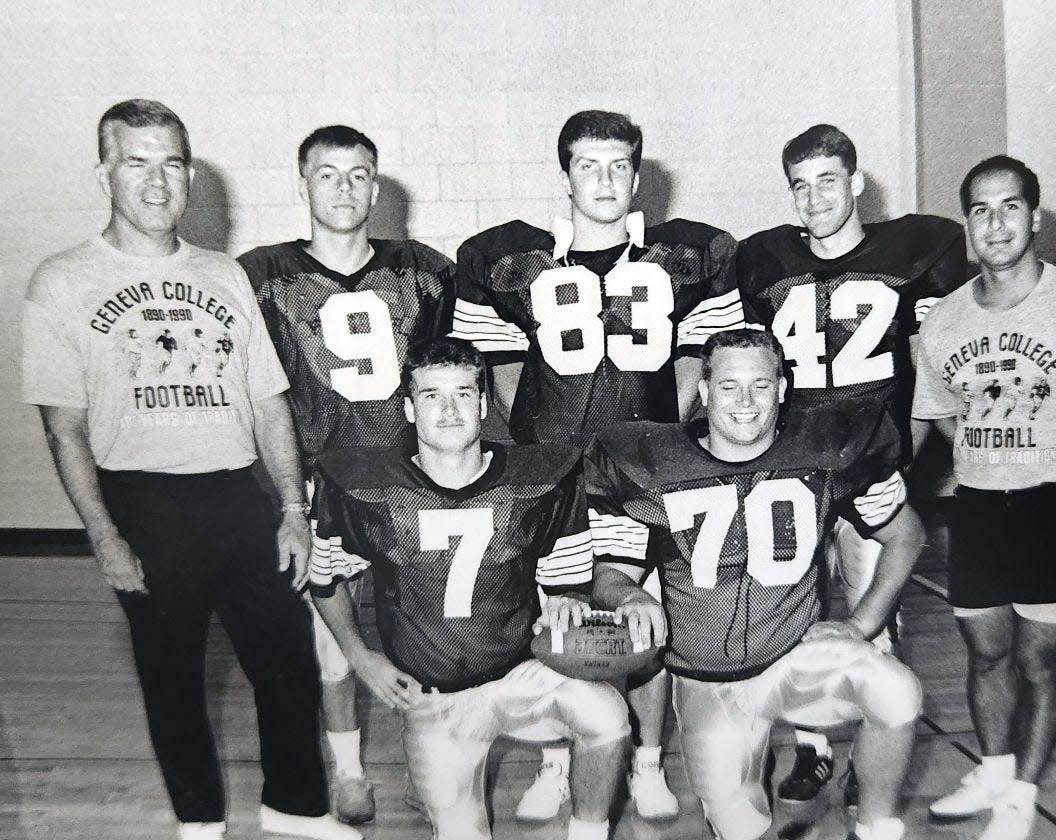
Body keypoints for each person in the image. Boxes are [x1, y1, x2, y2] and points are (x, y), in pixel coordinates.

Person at [19, 99, 360, 840]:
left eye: (171, 163)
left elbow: (270, 404)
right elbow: (64, 428)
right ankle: (198, 821)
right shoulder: (62, 280)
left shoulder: (224, 276)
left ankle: (295, 809)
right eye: (135, 162)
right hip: (143, 500)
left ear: (191, 174)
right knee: (173, 680)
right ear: (103, 172)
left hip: (239, 494)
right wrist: (104, 535)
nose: (155, 181)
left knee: (289, 665)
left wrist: (294, 511)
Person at [451, 109, 741, 820]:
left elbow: (696, 356)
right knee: (553, 611)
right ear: (565, 176)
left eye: (619, 166)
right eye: (589, 165)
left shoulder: (684, 259)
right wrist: (538, 449)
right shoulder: (514, 265)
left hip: (641, 472)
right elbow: (502, 366)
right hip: (551, 468)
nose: (605, 179)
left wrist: (656, 441)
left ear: (639, 177)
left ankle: (644, 760)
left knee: (645, 612)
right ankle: (557, 759)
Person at [587, 328, 924, 840]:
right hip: (709, 680)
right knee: (740, 826)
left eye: (760, 385)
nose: (745, 401)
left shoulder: (823, 454)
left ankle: (876, 828)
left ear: (782, 388)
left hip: (796, 660)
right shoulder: (650, 465)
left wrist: (862, 623)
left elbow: (906, 535)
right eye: (728, 386)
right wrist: (631, 595)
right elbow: (611, 575)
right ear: (703, 392)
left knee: (896, 691)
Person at [310, 337, 629, 840]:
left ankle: (589, 833)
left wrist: (565, 607)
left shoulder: (538, 480)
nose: (450, 408)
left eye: (463, 393)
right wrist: (360, 655)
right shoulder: (366, 487)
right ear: (409, 409)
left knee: (608, 717)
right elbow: (325, 582)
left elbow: (566, 583)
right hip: (435, 697)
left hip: (520, 674)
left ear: (483, 404)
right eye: (432, 395)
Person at [913, 155, 1056, 840]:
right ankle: (991, 767)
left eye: (1010, 206)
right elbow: (944, 413)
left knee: (1037, 660)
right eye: (981, 210)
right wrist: (988, 455)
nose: (996, 223)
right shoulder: (944, 320)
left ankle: (1020, 796)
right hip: (981, 507)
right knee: (984, 653)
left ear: (1035, 217)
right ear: (966, 226)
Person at [737, 123, 967, 802]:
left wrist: (911, 471)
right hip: (792, 472)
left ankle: (875, 762)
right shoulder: (767, 263)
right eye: (800, 187)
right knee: (792, 612)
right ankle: (810, 748)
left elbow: (931, 380)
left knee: (876, 622)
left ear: (857, 182)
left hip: (872, 468)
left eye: (827, 181)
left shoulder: (916, 252)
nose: (814, 200)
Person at [239, 124, 455, 825]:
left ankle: (431, 767)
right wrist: (284, 495)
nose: (344, 188)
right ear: (302, 182)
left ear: (377, 183)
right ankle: (350, 769)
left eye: (359, 174)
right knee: (333, 644)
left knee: (426, 633)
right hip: (317, 484)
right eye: (328, 174)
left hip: (409, 482)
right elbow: (256, 393)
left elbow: (448, 382)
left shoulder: (424, 268)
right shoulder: (263, 274)